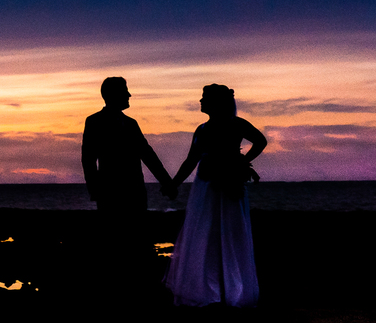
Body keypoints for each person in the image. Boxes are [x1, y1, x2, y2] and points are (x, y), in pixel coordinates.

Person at [163, 83, 266, 308]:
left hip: (229, 185)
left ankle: (230, 289)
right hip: (205, 187)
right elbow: (190, 160)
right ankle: (210, 288)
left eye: (204, 98)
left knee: (229, 232)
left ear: (215, 102)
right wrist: (174, 183)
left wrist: (242, 161)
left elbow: (260, 141)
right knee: (205, 234)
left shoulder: (236, 124)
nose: (200, 101)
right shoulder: (201, 129)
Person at [82, 77, 173, 211]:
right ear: (113, 94)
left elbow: (148, 155)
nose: (129, 95)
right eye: (125, 91)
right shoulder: (94, 122)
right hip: (110, 194)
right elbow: (88, 160)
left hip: (135, 192)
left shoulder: (131, 123)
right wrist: (95, 190)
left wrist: (167, 182)